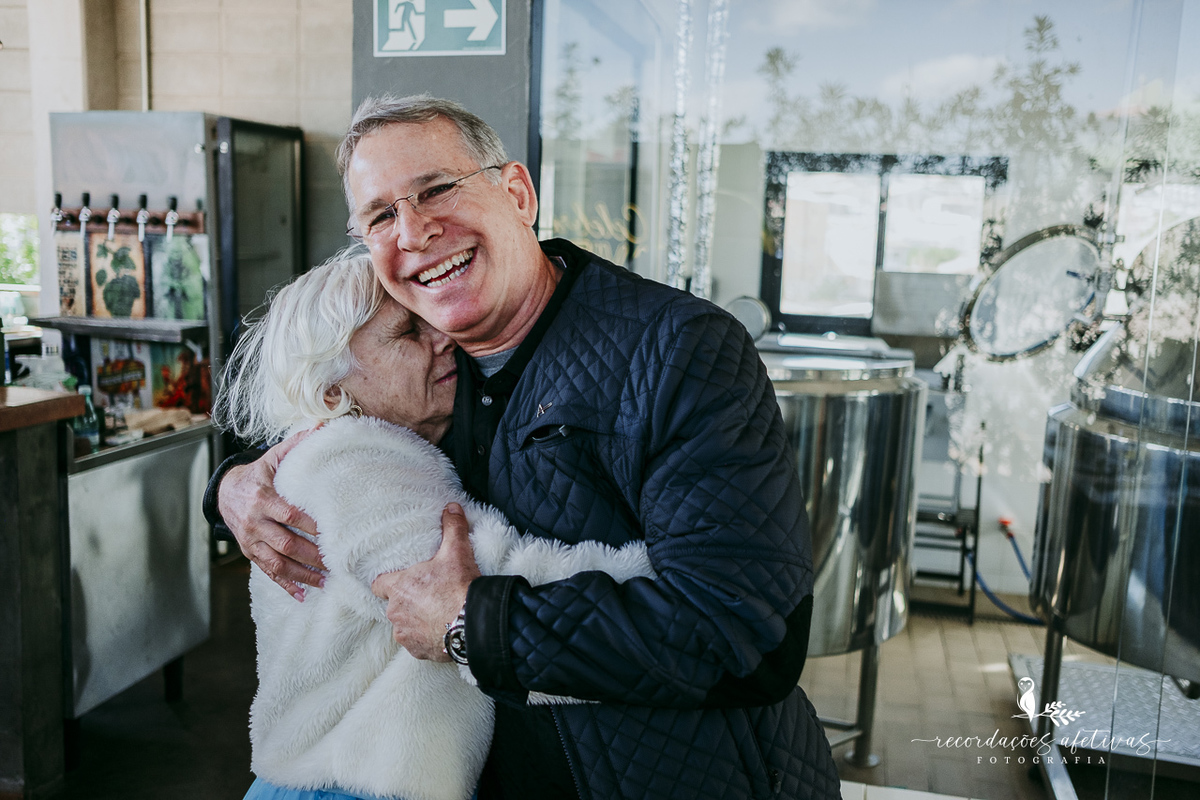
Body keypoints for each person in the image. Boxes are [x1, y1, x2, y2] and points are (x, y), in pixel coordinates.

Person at [206, 95, 840, 799]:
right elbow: (331, 433)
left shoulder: (680, 348)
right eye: (381, 215)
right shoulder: (434, 372)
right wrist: (233, 486)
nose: (413, 231)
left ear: (516, 193)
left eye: (436, 188)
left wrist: (475, 625)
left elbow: (746, 632)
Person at [213, 252, 654, 800]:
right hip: (349, 787)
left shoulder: (366, 448)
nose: (443, 338)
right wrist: (667, 577)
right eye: (407, 332)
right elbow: (493, 587)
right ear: (333, 391)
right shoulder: (352, 465)